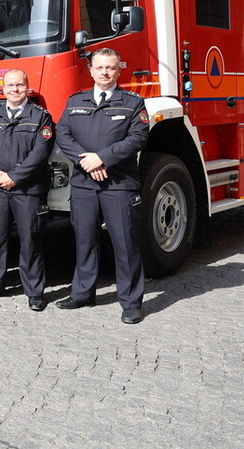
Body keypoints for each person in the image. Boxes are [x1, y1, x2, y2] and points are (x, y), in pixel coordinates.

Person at [56, 48, 149, 324]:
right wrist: (87, 163)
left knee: (125, 242)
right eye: (100, 68)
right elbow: (63, 133)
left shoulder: (132, 102)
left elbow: (137, 138)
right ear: (91, 71)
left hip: (119, 184)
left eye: (110, 67)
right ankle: (83, 293)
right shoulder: (75, 101)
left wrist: (102, 159)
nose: (105, 72)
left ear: (119, 69)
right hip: (84, 184)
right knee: (85, 239)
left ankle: (131, 302)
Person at [0, 69, 53, 311]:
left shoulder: (41, 117)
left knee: (31, 239)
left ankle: (34, 291)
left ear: (27, 87)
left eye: (19, 85)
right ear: (3, 89)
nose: (15, 89)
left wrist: (15, 178)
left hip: (27, 189)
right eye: (10, 85)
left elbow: (40, 155)